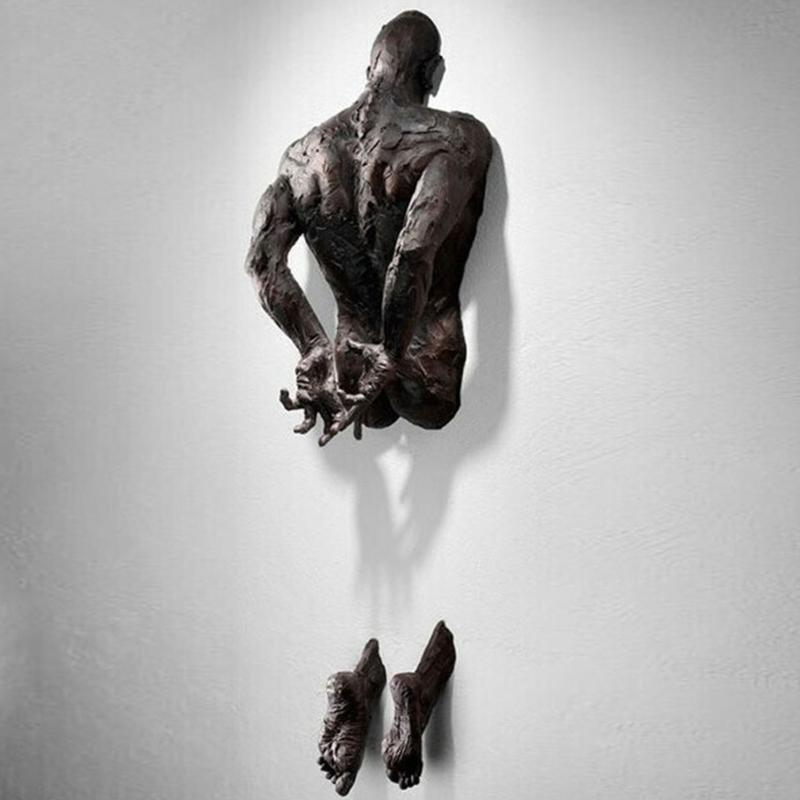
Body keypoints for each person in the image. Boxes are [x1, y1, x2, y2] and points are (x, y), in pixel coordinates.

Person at [246, 11, 492, 445]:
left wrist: (313, 346)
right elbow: (412, 250)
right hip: (425, 366)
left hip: (350, 370)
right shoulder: (450, 138)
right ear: (433, 73)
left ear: (370, 71)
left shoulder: (302, 156)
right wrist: (392, 353)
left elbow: (262, 261)